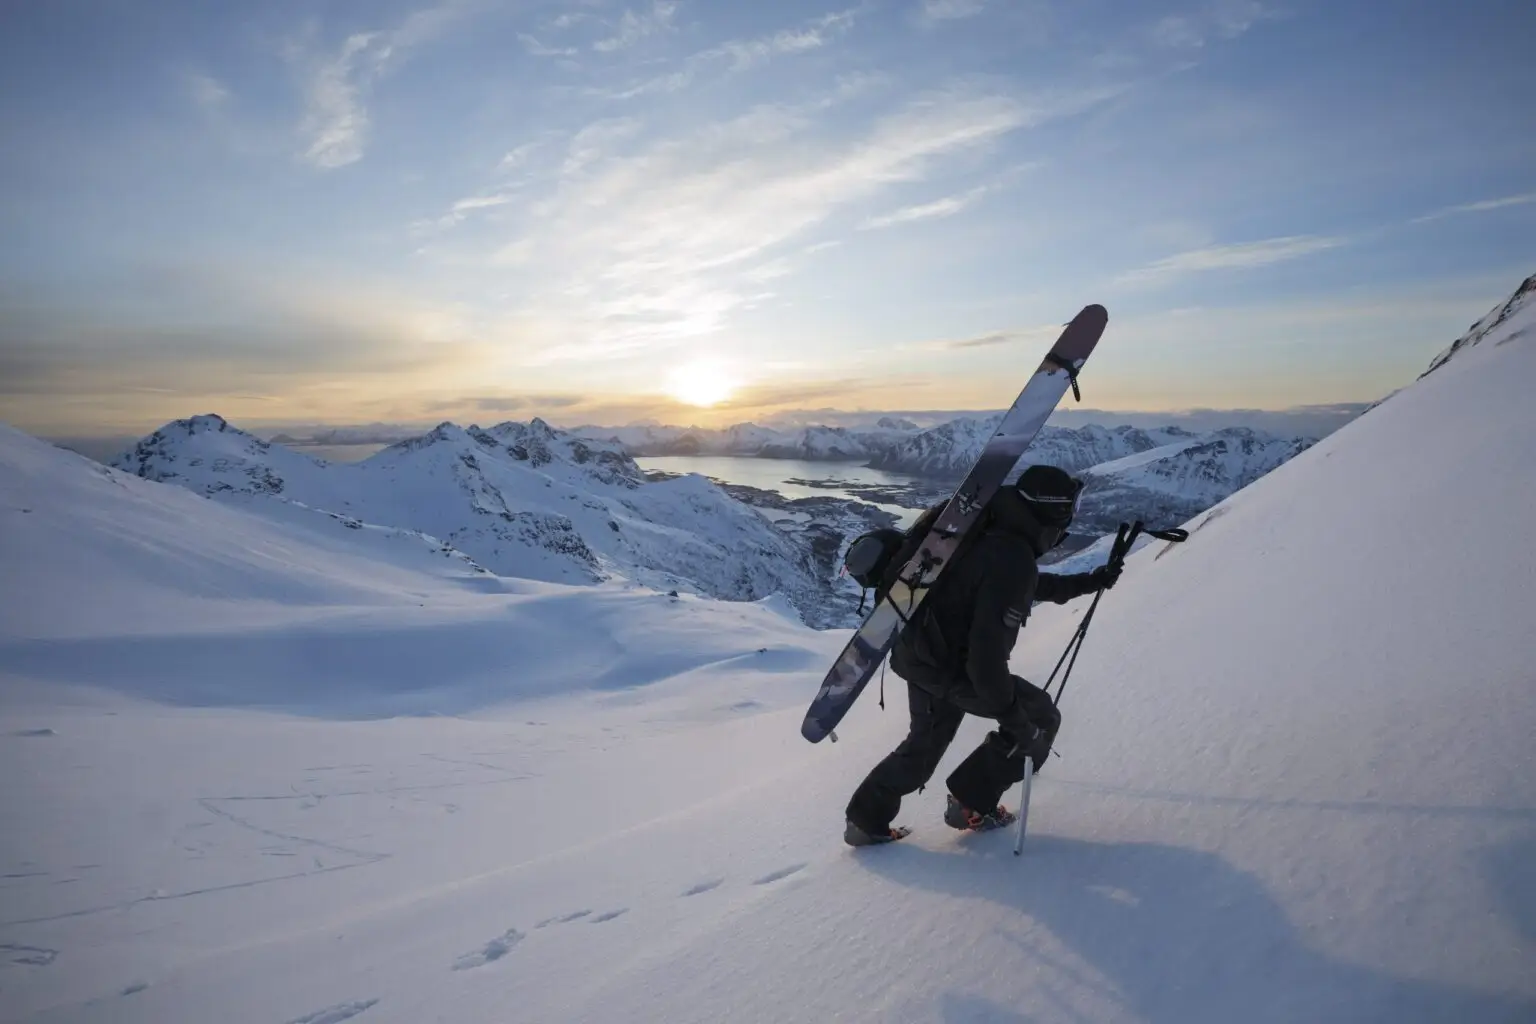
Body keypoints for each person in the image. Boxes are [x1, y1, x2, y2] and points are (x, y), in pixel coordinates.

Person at [843, 464, 1122, 846]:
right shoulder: (1011, 554)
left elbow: (1011, 585)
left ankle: (865, 821)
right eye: (1072, 507)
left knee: (923, 744)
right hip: (949, 663)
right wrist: (1018, 724)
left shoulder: (983, 523)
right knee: (1039, 718)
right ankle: (971, 803)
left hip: (917, 653)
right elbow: (986, 662)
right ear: (1054, 512)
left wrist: (1089, 582)